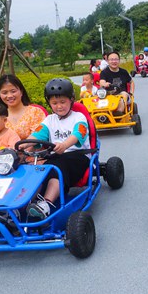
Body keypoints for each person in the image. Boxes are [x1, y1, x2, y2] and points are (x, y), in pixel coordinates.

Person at [26, 78, 91, 220]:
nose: (59, 106)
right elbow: (36, 135)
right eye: (54, 103)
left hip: (78, 156)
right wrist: (21, 146)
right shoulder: (49, 120)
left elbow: (78, 134)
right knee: (36, 168)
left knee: (57, 165)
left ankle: (47, 204)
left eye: (63, 102)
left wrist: (65, 145)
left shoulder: (78, 117)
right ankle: (26, 203)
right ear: (49, 103)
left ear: (71, 100)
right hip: (56, 157)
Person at [0, 74, 47, 140]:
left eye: (13, 91)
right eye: (4, 93)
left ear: (21, 91)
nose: (9, 96)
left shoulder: (35, 112)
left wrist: (25, 147)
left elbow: (40, 133)